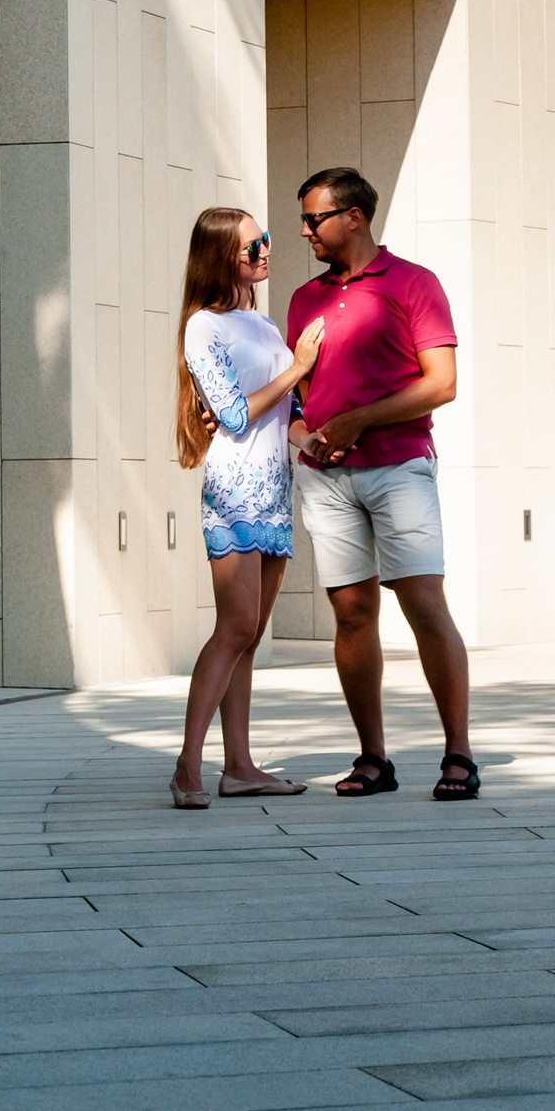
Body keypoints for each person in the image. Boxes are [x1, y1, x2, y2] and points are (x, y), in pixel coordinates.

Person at [285, 168, 479, 802]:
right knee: (351, 613)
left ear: (355, 217)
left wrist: (358, 420)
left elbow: (440, 383)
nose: (306, 230)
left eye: (315, 218)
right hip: (327, 479)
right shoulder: (302, 298)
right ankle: (373, 757)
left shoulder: (413, 284)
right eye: (305, 219)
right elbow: (303, 387)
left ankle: (459, 754)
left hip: (400, 469)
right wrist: (312, 428)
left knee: (424, 604)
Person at [170, 206, 326, 809]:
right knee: (233, 627)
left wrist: (310, 439)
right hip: (234, 491)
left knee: (250, 635)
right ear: (219, 256)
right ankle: (188, 766)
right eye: (251, 245)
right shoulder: (203, 328)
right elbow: (234, 416)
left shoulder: (261, 327)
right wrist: (300, 369)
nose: (265, 249)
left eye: (264, 239)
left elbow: (279, 418)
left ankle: (240, 767)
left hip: (274, 490)